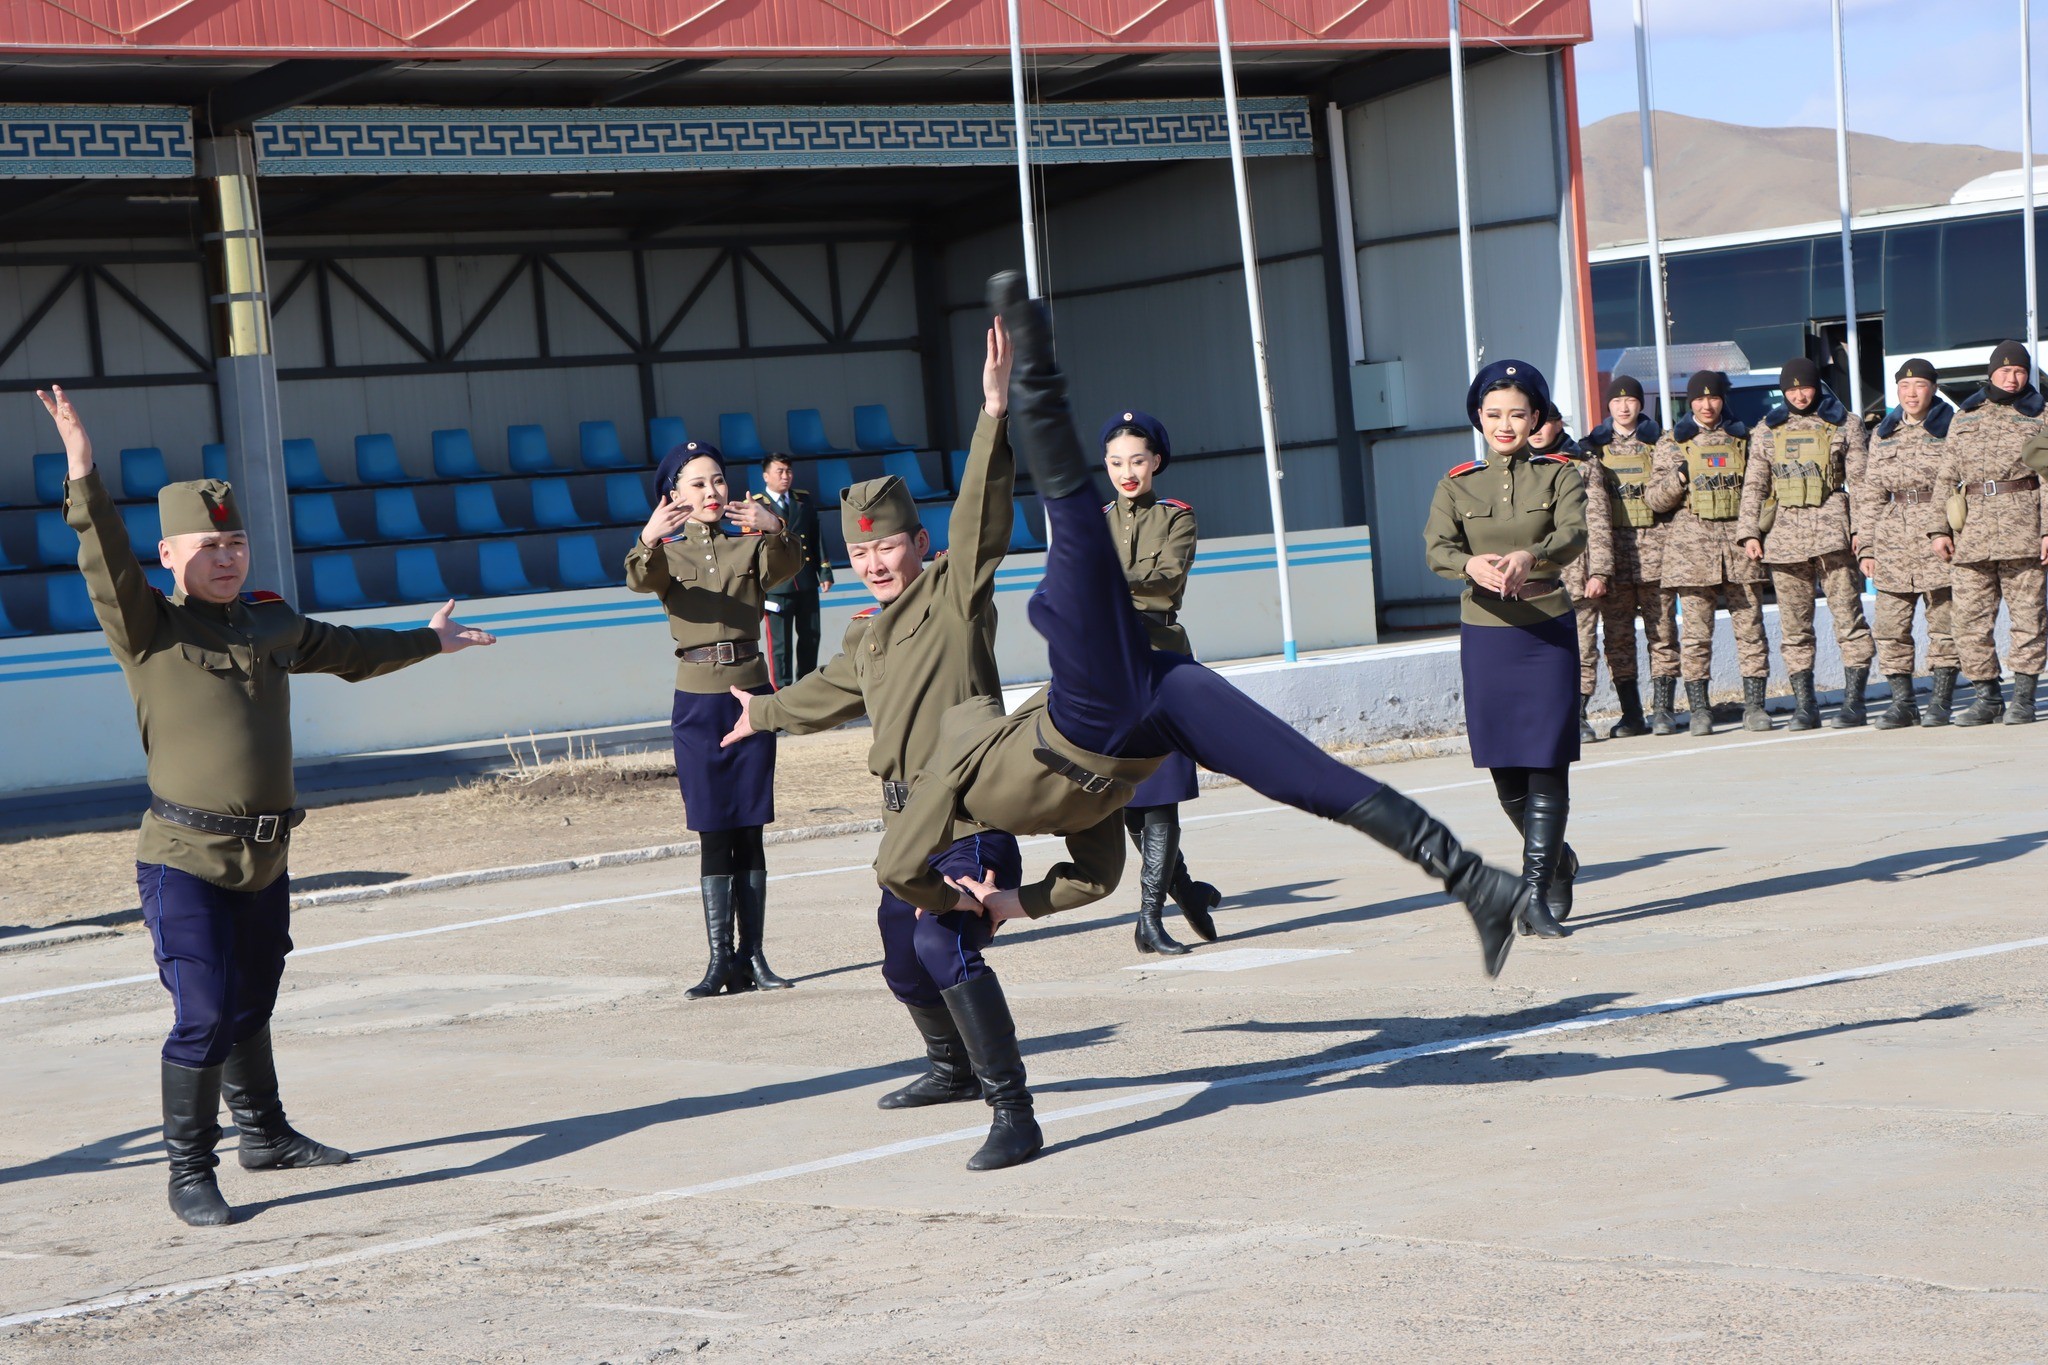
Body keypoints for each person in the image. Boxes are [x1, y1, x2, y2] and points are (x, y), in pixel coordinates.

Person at [861, 273, 1529, 1174]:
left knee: (1078, 527)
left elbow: (896, 868)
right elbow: (1095, 875)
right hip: (1155, 709)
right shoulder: (1060, 822)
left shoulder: (956, 764)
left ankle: (1040, 374)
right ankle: (1482, 887)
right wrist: (1013, 902)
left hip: (1097, 692)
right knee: (1311, 780)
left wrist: (955, 900)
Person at [37, 385, 497, 1228]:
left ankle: (266, 1135)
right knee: (206, 1012)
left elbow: (345, 647)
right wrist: (82, 469)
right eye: (209, 545)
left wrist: (428, 641)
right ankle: (189, 1170)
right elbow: (102, 554)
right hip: (184, 856)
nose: (227, 557)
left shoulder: (268, 621)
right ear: (170, 555)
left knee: (252, 1002)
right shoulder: (149, 627)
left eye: (236, 542)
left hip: (267, 855)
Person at [719, 319, 1033, 1170]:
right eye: (860, 550)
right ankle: (952, 1067)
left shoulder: (955, 597)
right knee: (902, 959)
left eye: (888, 544)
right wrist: (764, 713)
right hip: (905, 825)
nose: (875, 561)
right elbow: (829, 690)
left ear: (920, 545)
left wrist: (992, 414)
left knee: (942, 943)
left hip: (967, 817)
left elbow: (980, 515)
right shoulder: (868, 632)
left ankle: (1014, 1108)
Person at [626, 439, 801, 997]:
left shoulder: (749, 544)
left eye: (718, 480)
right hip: (697, 702)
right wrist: (648, 538)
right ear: (672, 495)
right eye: (698, 483)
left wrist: (775, 527)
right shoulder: (666, 554)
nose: (712, 491)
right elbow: (638, 578)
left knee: (750, 827)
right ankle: (719, 961)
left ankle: (753, 958)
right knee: (712, 828)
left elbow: (787, 566)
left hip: (750, 693)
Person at [1425, 365, 1588, 940]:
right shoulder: (1457, 484)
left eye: (1517, 414)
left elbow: (1572, 534)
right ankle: (1560, 859)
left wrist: (1530, 557)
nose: (1505, 424)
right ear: (1479, 418)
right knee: (1505, 770)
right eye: (1493, 414)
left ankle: (1535, 892)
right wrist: (1468, 563)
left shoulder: (1561, 474)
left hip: (1546, 632)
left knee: (1546, 759)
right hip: (1487, 633)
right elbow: (1437, 548)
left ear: (1535, 417)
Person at [1101, 408, 1223, 956]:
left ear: (1155, 462)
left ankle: (1148, 918)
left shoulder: (1178, 518)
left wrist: (1102, 583)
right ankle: (1187, 891)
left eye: (1137, 461)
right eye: (1115, 462)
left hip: (1159, 660)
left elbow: (1166, 580)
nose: (1126, 472)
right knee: (1129, 797)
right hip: (1107, 667)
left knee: (1163, 791)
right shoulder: (1093, 521)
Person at [1737, 358, 1877, 729]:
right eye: (1792, 389)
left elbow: (1862, 485)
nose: (1799, 395)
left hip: (1833, 536)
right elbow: (1755, 485)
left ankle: (1854, 702)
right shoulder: (1767, 430)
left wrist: (1863, 534)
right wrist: (1750, 532)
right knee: (1795, 629)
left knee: (1848, 620)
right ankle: (1805, 706)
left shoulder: (1846, 424)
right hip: (1784, 539)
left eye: (1806, 387)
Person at [1927, 341, 2048, 725]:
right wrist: (1938, 529)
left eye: (2020, 371)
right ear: (1992, 372)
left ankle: (2024, 698)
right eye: (2005, 371)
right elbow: (1946, 476)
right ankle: (1987, 697)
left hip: (2022, 528)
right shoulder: (1965, 417)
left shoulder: (2041, 414)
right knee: (1968, 621)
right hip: (1972, 534)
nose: (2013, 378)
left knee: (2029, 617)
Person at [1646, 370, 1771, 735]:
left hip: (1739, 546)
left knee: (1751, 630)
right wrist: (1680, 477)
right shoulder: (1671, 443)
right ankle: (1700, 710)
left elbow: (1760, 489)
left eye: (1713, 397)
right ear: (1689, 402)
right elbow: (1654, 500)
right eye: (1699, 399)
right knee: (1696, 636)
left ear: (1722, 399)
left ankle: (1755, 706)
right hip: (1692, 551)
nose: (1706, 405)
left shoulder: (1744, 439)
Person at [1855, 359, 1958, 728]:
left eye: (1920, 385)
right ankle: (1903, 703)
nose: (1911, 393)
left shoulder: (1952, 427)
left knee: (1944, 625)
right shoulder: (1883, 433)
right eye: (1904, 386)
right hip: (1893, 540)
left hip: (1938, 534)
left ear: (1934, 388)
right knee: (1889, 627)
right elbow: (1871, 495)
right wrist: (1867, 548)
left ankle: (1941, 701)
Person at [1581, 375, 1676, 736]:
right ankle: (1632, 713)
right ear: (1608, 405)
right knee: (1617, 638)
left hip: (1655, 552)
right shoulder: (1592, 448)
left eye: (1631, 400)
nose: (1624, 407)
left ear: (1641, 403)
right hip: (1613, 558)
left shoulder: (1662, 443)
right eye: (1617, 401)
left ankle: (1663, 710)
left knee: (1662, 632)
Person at [1530, 408, 1604, 746]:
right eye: (1533, 423)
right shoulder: (1513, 467)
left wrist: (1600, 571)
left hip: (1576, 573)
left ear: (1559, 424)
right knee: (1534, 649)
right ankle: (1543, 715)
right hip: (1529, 576)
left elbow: (1598, 521)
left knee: (1582, 648)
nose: (1537, 430)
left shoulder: (1583, 464)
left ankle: (1577, 714)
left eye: (1545, 422)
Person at [755, 452, 833, 689]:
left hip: (806, 580)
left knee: (810, 636)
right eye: (779, 471)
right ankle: (782, 691)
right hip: (776, 586)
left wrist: (824, 571)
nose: (785, 476)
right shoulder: (758, 506)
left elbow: (815, 535)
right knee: (780, 644)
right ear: (766, 476)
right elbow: (754, 548)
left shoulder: (802, 499)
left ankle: (807, 688)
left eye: (788, 471)